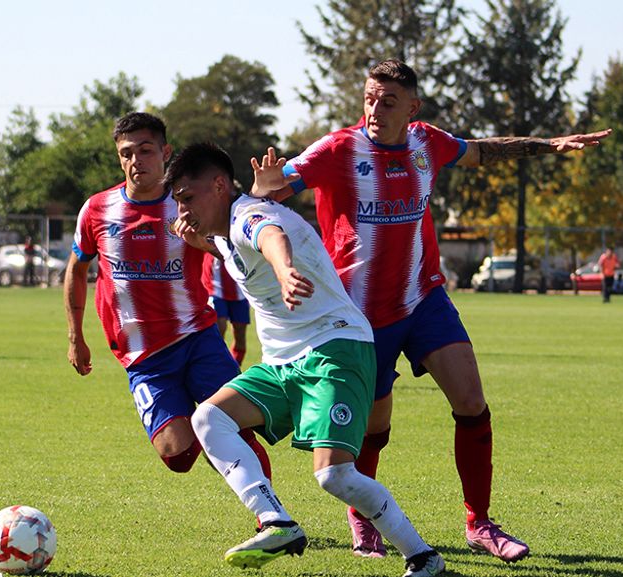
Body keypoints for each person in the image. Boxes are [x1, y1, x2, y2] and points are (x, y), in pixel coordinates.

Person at [251, 59, 612, 562]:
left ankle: (479, 523)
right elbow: (268, 193)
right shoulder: (337, 149)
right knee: (373, 429)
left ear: (412, 108)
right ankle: (363, 516)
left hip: (424, 298)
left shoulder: (428, 142)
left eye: (389, 100)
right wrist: (266, 185)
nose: (376, 108)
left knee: (471, 400)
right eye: (370, 98)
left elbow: (482, 152)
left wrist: (548, 144)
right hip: (358, 318)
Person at [167, 143, 445, 577]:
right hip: (282, 363)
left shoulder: (249, 218)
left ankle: (423, 557)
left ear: (219, 186)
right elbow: (235, 252)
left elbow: (270, 237)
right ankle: (277, 521)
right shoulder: (225, 232)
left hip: (335, 349)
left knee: (335, 477)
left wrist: (284, 269)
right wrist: (200, 242)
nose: (181, 207)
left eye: (187, 197)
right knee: (207, 420)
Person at [63, 112, 271, 480]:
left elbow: (229, 249)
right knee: (177, 454)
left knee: (236, 432)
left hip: (198, 339)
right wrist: (75, 336)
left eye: (145, 151)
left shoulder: (186, 203)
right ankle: (205, 425)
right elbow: (77, 269)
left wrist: (199, 241)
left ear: (165, 152)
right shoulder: (97, 209)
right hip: (144, 358)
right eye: (126, 153)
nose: (135, 161)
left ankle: (272, 519)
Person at [201, 252, 250, 365]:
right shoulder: (207, 235)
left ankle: (234, 372)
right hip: (214, 289)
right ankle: (214, 369)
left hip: (240, 291)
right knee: (218, 332)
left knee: (240, 338)